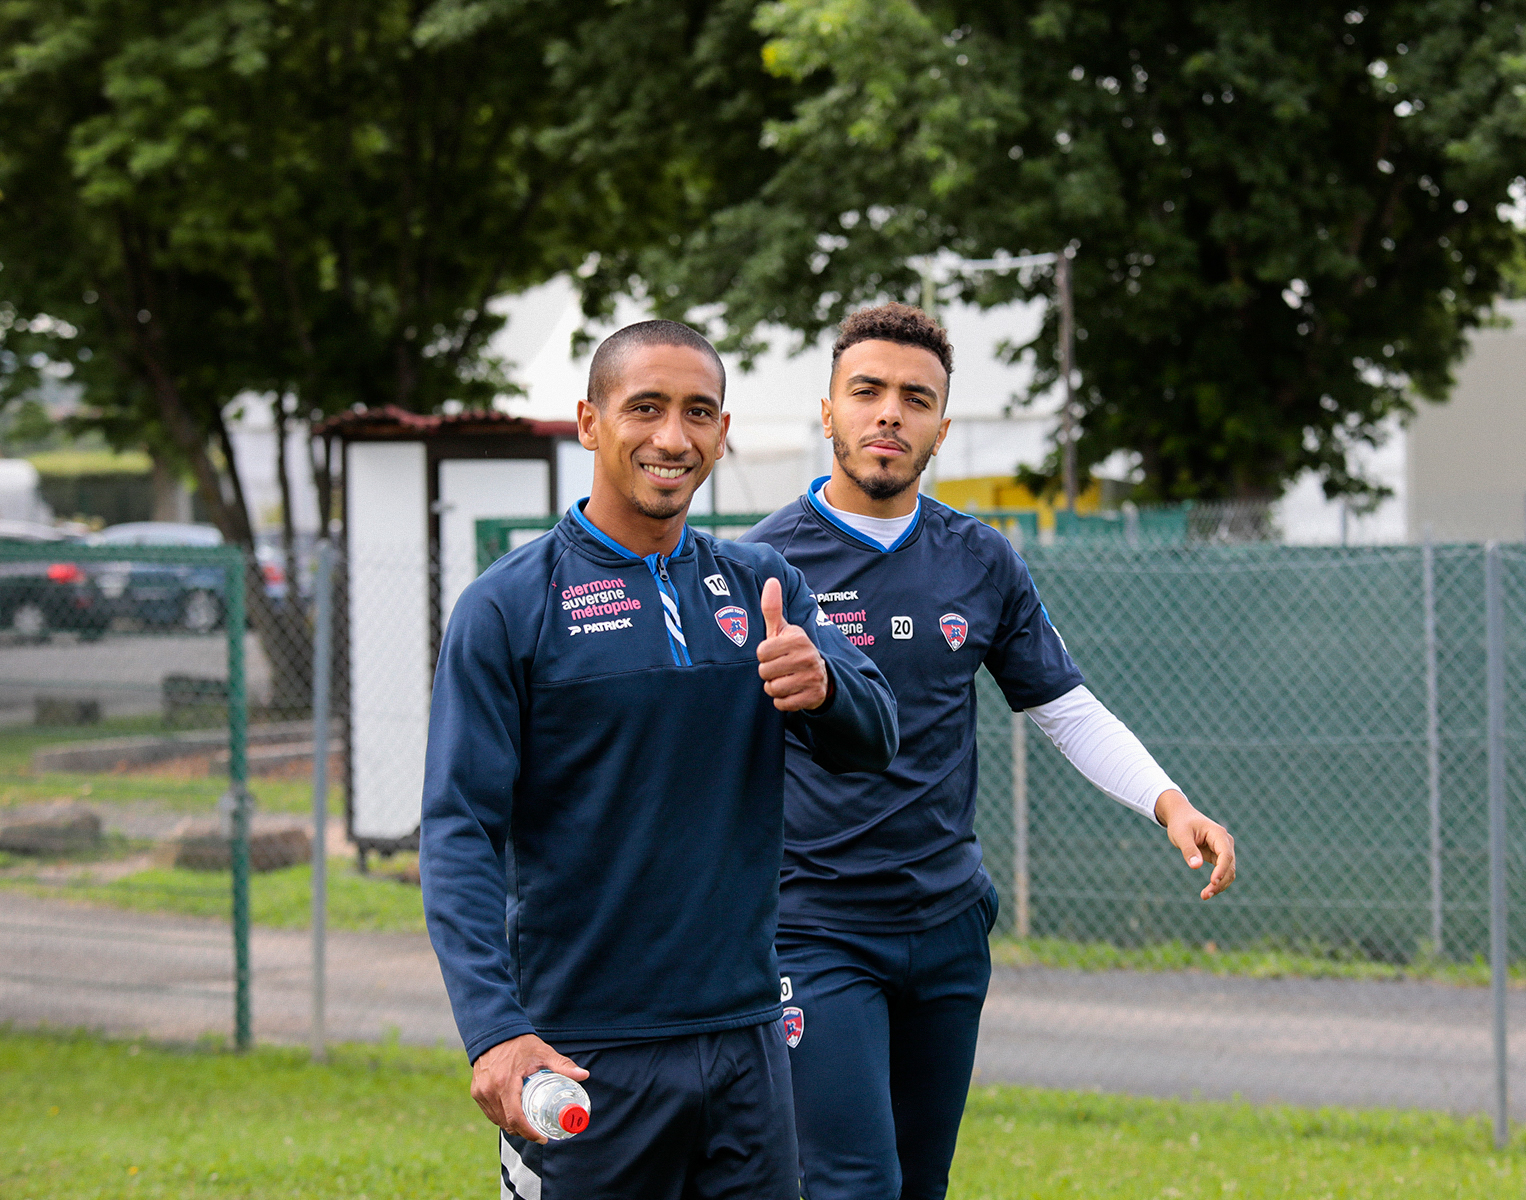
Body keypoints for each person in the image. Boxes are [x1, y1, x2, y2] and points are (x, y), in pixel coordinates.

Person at [743, 303, 1237, 1200]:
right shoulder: (758, 567)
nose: (888, 413)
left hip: (945, 927)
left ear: (940, 425)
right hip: (813, 930)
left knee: (921, 1183)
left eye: (914, 397)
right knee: (852, 1182)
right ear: (828, 412)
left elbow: (1066, 709)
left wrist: (1172, 803)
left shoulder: (981, 560)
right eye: (867, 391)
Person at [420, 319, 899, 1200]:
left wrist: (824, 683)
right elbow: (460, 832)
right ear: (590, 422)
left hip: (748, 1039)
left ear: (723, 432)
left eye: (697, 412)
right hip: (583, 1050)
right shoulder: (508, 607)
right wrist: (493, 1032)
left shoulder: (766, 588)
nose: (672, 437)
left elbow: (878, 740)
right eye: (645, 407)